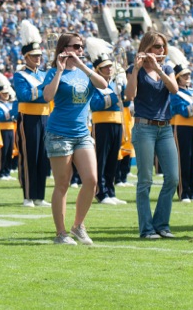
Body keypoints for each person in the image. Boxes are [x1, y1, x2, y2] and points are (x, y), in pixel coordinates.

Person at [42, 33, 107, 245]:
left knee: (92, 180)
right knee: (62, 184)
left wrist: (83, 66)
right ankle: (61, 233)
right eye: (76, 47)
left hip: (82, 133)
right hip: (59, 132)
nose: (80, 50)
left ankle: (78, 225)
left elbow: (103, 84)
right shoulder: (53, 72)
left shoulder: (84, 72)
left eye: (81, 47)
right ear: (65, 48)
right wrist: (60, 72)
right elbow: (47, 96)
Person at [125, 31, 179, 239]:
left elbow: (174, 89)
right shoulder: (134, 69)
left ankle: (161, 224)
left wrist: (158, 68)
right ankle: (146, 228)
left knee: (173, 178)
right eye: (157, 46)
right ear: (146, 48)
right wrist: (137, 68)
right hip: (144, 128)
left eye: (163, 47)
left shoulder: (166, 68)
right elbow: (130, 96)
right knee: (145, 180)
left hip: (165, 128)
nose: (161, 50)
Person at [14, 20, 51, 208]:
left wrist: (42, 93)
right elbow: (24, 96)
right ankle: (28, 195)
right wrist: (43, 92)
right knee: (29, 156)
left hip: (46, 117)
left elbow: (47, 97)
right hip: (27, 118)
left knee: (43, 157)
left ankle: (40, 196)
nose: (38, 59)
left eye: (39, 55)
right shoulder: (20, 75)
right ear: (26, 57)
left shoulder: (45, 74)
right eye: (34, 56)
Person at [88, 37, 127, 206]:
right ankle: (100, 192)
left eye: (110, 66)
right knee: (101, 159)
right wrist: (114, 95)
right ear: (98, 69)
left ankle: (110, 191)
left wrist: (122, 89)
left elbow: (126, 103)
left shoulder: (115, 83)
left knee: (113, 158)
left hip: (117, 123)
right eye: (105, 67)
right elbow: (96, 104)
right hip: (101, 124)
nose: (110, 69)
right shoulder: (94, 84)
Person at [169, 62, 193, 203]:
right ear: (177, 78)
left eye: (188, 74)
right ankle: (183, 192)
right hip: (182, 128)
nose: (188, 76)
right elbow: (185, 111)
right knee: (184, 159)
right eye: (184, 75)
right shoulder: (175, 93)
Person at [0, 86, 17, 181]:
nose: (6, 95)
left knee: (9, 152)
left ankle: (7, 172)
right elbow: (1, 116)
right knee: (3, 152)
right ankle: (1, 172)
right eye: (4, 93)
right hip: (2, 129)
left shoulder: (9, 104)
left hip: (11, 129)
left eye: (7, 93)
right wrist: (13, 111)